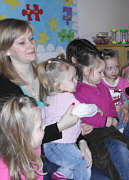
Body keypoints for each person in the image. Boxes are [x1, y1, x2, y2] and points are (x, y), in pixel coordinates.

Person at [0, 18, 91, 180]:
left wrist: (81, 140)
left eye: (31, 39)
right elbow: (19, 140)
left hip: (62, 149)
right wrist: (61, 126)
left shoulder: (46, 77)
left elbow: (65, 109)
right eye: (22, 42)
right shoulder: (5, 89)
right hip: (30, 162)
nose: (31, 45)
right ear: (6, 50)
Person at [66, 38, 129, 180]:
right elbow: (83, 114)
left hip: (109, 127)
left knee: (126, 145)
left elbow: (111, 105)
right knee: (109, 154)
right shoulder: (77, 90)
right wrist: (106, 120)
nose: (103, 75)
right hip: (94, 133)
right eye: (100, 72)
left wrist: (115, 118)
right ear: (85, 69)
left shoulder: (102, 86)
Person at [38, 58, 97, 180]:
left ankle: (63, 173)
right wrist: (95, 108)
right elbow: (83, 110)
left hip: (50, 147)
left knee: (72, 162)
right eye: (72, 79)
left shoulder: (47, 99)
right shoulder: (67, 97)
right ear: (57, 84)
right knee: (83, 162)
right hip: (62, 146)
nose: (76, 81)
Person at [0, 96, 44, 180]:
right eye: (39, 127)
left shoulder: (34, 149)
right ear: (24, 137)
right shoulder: (4, 172)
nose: (44, 127)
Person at [101, 49, 129, 132]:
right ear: (102, 69)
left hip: (120, 112)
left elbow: (128, 97)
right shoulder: (100, 82)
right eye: (110, 68)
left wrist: (125, 105)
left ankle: (121, 130)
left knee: (122, 114)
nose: (114, 71)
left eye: (116, 67)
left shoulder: (122, 82)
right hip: (107, 113)